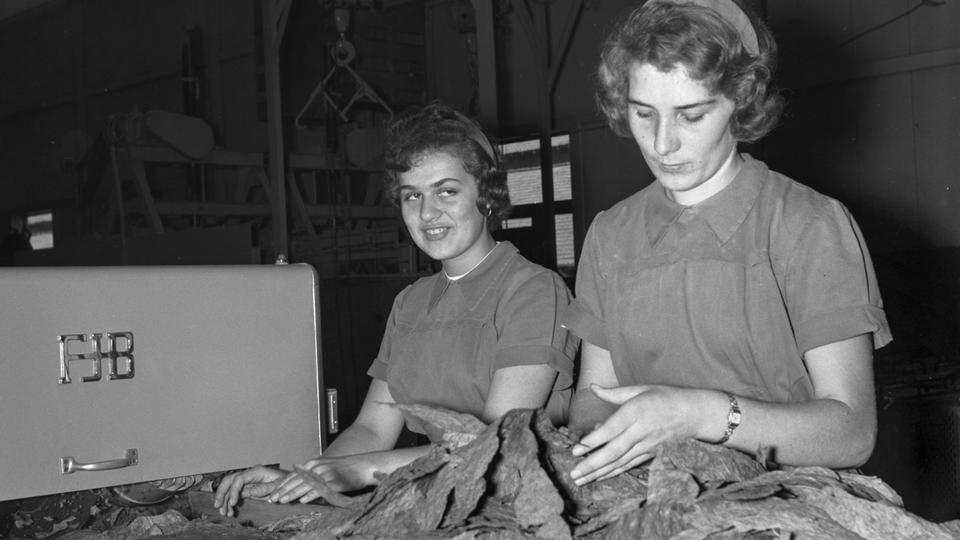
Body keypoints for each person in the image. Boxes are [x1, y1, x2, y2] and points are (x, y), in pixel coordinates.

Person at [564, 0, 892, 487]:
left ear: (740, 102)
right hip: (647, 491)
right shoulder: (610, 233)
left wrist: (700, 416)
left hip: (790, 497)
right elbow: (593, 396)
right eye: (642, 113)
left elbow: (852, 431)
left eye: (691, 115)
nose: (661, 143)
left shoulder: (809, 224)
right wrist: (607, 437)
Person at [214, 102, 579, 515]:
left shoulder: (533, 291)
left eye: (446, 191)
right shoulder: (410, 304)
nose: (427, 213)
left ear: (487, 195)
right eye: (412, 196)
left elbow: (495, 444)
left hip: (516, 512)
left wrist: (362, 471)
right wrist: (305, 479)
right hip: (429, 504)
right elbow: (372, 429)